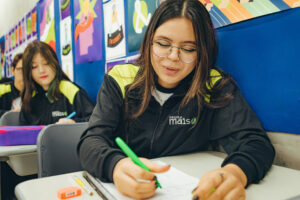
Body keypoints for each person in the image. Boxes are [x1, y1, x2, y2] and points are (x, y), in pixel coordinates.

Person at [78, 0, 275, 199]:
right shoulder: (120, 79)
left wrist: (236, 173)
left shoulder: (213, 86)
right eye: (163, 44)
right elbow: (91, 141)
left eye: (189, 49)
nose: (173, 57)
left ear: (202, 52)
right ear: (149, 42)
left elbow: (255, 143)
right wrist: (115, 165)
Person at [19, 41, 94, 125]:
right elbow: (22, 131)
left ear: (55, 63)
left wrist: (74, 123)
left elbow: (95, 120)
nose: (41, 70)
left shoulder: (69, 89)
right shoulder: (29, 97)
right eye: (34, 67)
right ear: (28, 72)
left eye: (46, 63)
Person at [0, 53, 24, 117]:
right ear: (12, 70)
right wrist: (9, 114)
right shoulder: (2, 90)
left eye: (27, 70)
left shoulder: (36, 91)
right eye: (21, 69)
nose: (25, 73)